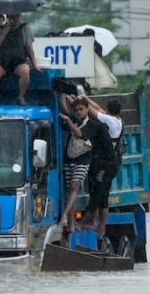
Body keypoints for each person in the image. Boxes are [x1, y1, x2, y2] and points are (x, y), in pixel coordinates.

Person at [73, 95, 122, 236]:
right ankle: (98, 224)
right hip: (108, 163)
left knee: (98, 196)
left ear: (108, 110)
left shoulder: (109, 121)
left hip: (105, 163)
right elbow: (98, 109)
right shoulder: (117, 120)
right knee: (102, 196)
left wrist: (81, 99)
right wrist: (85, 98)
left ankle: (87, 223)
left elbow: (94, 112)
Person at [58, 96, 97, 233]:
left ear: (87, 109)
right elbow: (66, 111)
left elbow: (79, 133)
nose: (79, 112)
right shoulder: (74, 119)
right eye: (76, 110)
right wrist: (59, 97)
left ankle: (65, 215)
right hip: (70, 159)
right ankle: (71, 222)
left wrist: (68, 120)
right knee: (71, 190)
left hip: (83, 160)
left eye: (81, 109)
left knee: (75, 186)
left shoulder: (92, 124)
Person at [0, 13, 42, 106]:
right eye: (12, 16)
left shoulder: (25, 28)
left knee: (25, 70)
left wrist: (34, 64)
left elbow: (29, 47)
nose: (15, 19)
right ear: (8, 18)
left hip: (18, 60)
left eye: (17, 16)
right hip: (3, 59)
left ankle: (21, 97)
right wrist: (4, 33)